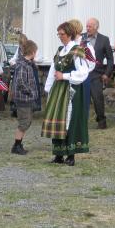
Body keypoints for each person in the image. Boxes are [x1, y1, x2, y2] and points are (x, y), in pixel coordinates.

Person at [41, 22, 90, 166]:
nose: (60, 37)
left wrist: (65, 76)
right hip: (58, 91)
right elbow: (52, 70)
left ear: (69, 34)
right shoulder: (59, 51)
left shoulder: (77, 51)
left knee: (70, 122)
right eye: (59, 34)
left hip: (71, 91)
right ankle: (58, 154)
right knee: (57, 121)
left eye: (62, 34)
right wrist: (48, 89)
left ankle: (71, 155)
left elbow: (83, 73)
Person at [11, 40, 39, 155]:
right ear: (32, 52)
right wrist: (31, 92)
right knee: (24, 123)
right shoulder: (22, 65)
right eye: (36, 51)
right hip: (23, 99)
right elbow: (21, 82)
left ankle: (18, 144)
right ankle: (16, 146)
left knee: (26, 122)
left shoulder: (28, 64)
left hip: (27, 99)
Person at [85, 18, 114, 129]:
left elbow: (110, 59)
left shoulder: (104, 40)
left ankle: (101, 121)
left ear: (96, 27)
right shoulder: (82, 38)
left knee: (97, 99)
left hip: (96, 74)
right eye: (87, 26)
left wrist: (107, 73)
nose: (87, 28)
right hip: (81, 74)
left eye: (90, 26)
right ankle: (81, 121)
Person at [69, 19, 96, 116]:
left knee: (82, 104)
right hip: (70, 78)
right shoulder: (69, 44)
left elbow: (92, 63)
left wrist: (81, 71)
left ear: (74, 30)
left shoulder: (85, 44)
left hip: (82, 79)